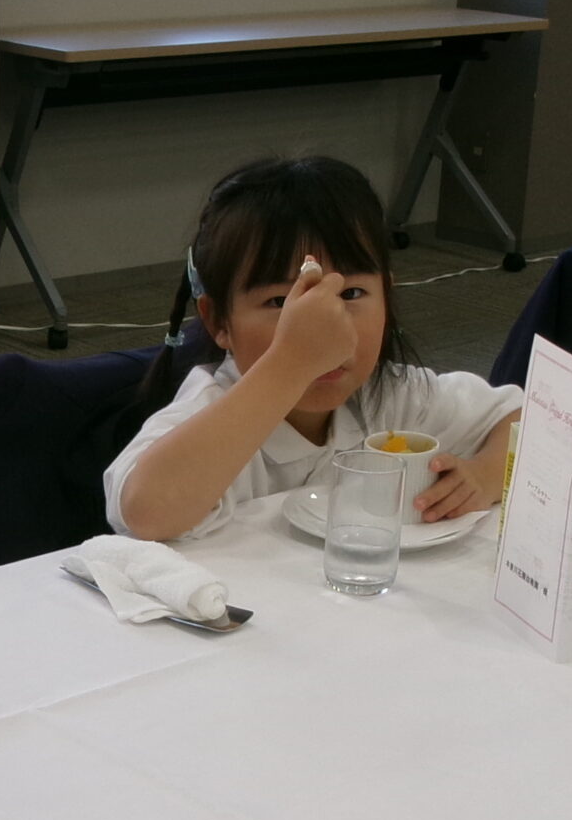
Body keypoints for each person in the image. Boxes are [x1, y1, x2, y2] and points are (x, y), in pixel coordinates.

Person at [106, 156, 520, 543]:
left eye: (351, 293)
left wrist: (485, 475)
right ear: (219, 323)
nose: (324, 325)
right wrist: (289, 363)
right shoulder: (212, 410)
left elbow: (525, 418)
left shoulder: (391, 396)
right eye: (280, 302)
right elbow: (146, 511)